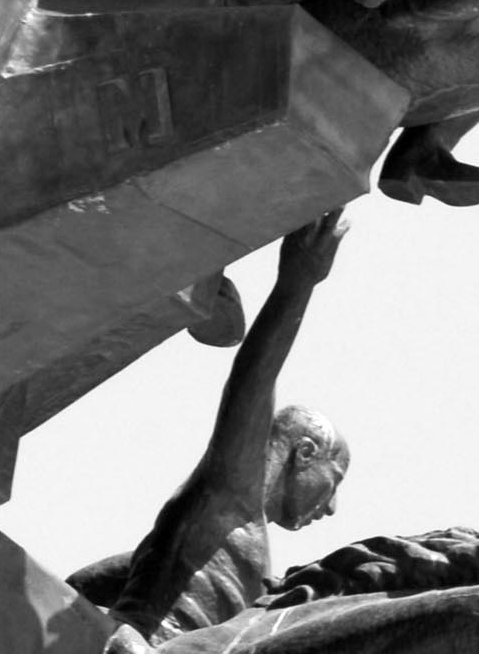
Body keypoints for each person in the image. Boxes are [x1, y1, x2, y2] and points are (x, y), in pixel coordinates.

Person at [71, 211, 351, 644]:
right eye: (335, 480)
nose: (331, 507)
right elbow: (254, 375)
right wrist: (298, 282)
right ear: (306, 453)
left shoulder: (242, 540)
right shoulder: (233, 489)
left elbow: (96, 579)